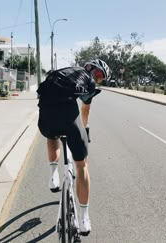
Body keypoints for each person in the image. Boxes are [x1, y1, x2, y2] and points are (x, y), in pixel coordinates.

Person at [37, 59, 111, 235]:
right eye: (99, 75)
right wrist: (84, 131)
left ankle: (53, 176)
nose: (97, 78)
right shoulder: (88, 82)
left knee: (52, 136)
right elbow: (85, 110)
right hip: (68, 119)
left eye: (100, 78)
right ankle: (84, 218)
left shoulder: (63, 71)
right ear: (91, 69)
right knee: (82, 164)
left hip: (45, 116)